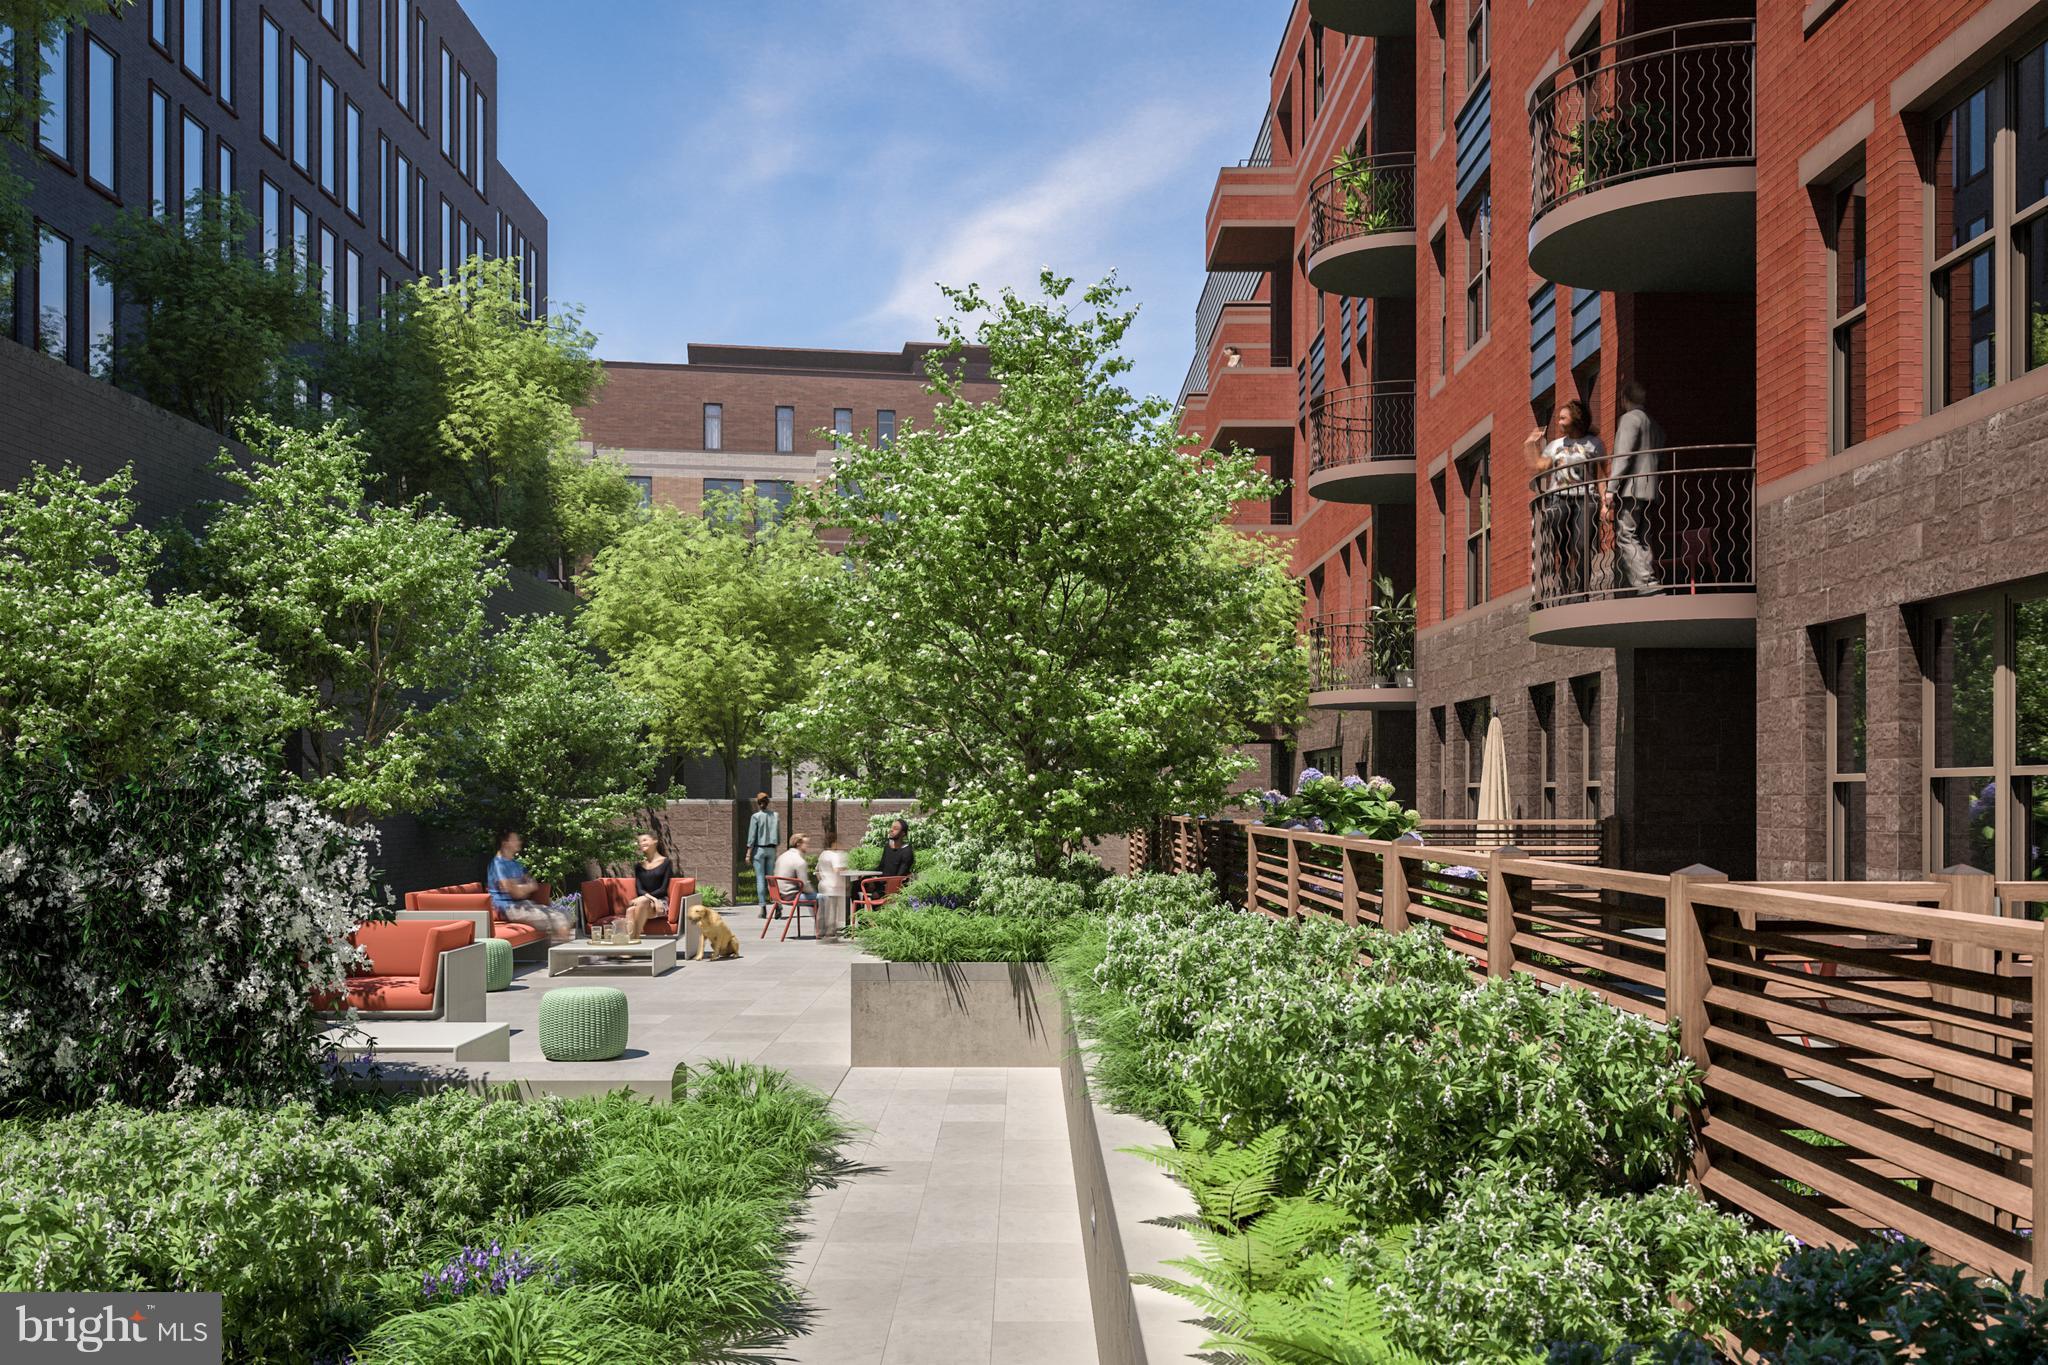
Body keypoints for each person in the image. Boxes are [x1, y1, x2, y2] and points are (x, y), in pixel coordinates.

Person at [1524, 398, 1606, 600]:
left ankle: (1581, 591)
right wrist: (1530, 444)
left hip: (1586, 499)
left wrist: (1605, 503)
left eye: (1562, 418)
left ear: (1575, 419)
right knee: (1562, 548)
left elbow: (1602, 474)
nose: (1558, 422)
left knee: (1581, 546)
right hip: (1559, 499)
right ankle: (1564, 589)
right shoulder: (1555, 445)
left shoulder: (1594, 444)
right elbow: (1540, 466)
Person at [1606, 381, 1667, 595]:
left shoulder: (1629, 419)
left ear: (1624, 399)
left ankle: (1646, 583)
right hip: (1651, 488)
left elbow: (1623, 456)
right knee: (1644, 536)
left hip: (1632, 489)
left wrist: (1611, 488)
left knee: (1625, 534)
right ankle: (1649, 581)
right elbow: (1660, 455)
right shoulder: (1654, 424)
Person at [488, 828, 576, 943]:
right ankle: (563, 951)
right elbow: (515, 892)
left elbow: (533, 884)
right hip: (509, 909)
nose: (519, 842)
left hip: (524, 904)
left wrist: (520, 887)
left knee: (566, 914)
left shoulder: (515, 863)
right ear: (505, 843)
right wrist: (523, 887)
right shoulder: (498, 864)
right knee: (558, 919)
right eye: (515, 839)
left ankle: (555, 948)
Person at [620, 830, 674, 940]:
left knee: (634, 907)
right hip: (647, 902)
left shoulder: (666, 862)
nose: (642, 843)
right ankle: (631, 943)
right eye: (640, 841)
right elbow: (639, 889)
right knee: (632, 909)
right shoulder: (639, 866)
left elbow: (663, 889)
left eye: (645, 840)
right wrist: (652, 899)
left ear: (655, 841)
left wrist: (654, 900)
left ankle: (633, 940)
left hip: (661, 902)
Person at [745, 792, 780, 915]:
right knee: (771, 879)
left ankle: (763, 908)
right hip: (771, 849)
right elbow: (778, 835)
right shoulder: (775, 815)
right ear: (767, 803)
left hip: (759, 850)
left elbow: (751, 837)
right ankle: (777, 904)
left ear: (758, 803)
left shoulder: (755, 817)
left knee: (760, 879)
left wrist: (748, 853)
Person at [771, 834, 820, 921]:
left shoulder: (782, 857)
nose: (808, 846)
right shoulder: (799, 861)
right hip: (792, 896)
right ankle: (822, 925)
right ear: (798, 844)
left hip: (779, 895)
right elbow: (804, 885)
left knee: (815, 897)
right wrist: (815, 893)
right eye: (806, 844)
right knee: (823, 898)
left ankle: (819, 924)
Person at [815, 844, 849, 941]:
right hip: (832, 886)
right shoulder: (834, 855)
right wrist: (845, 869)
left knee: (823, 909)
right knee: (832, 909)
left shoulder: (823, 854)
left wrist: (822, 880)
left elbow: (817, 871)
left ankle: (820, 931)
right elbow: (836, 870)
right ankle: (830, 931)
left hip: (823, 885)